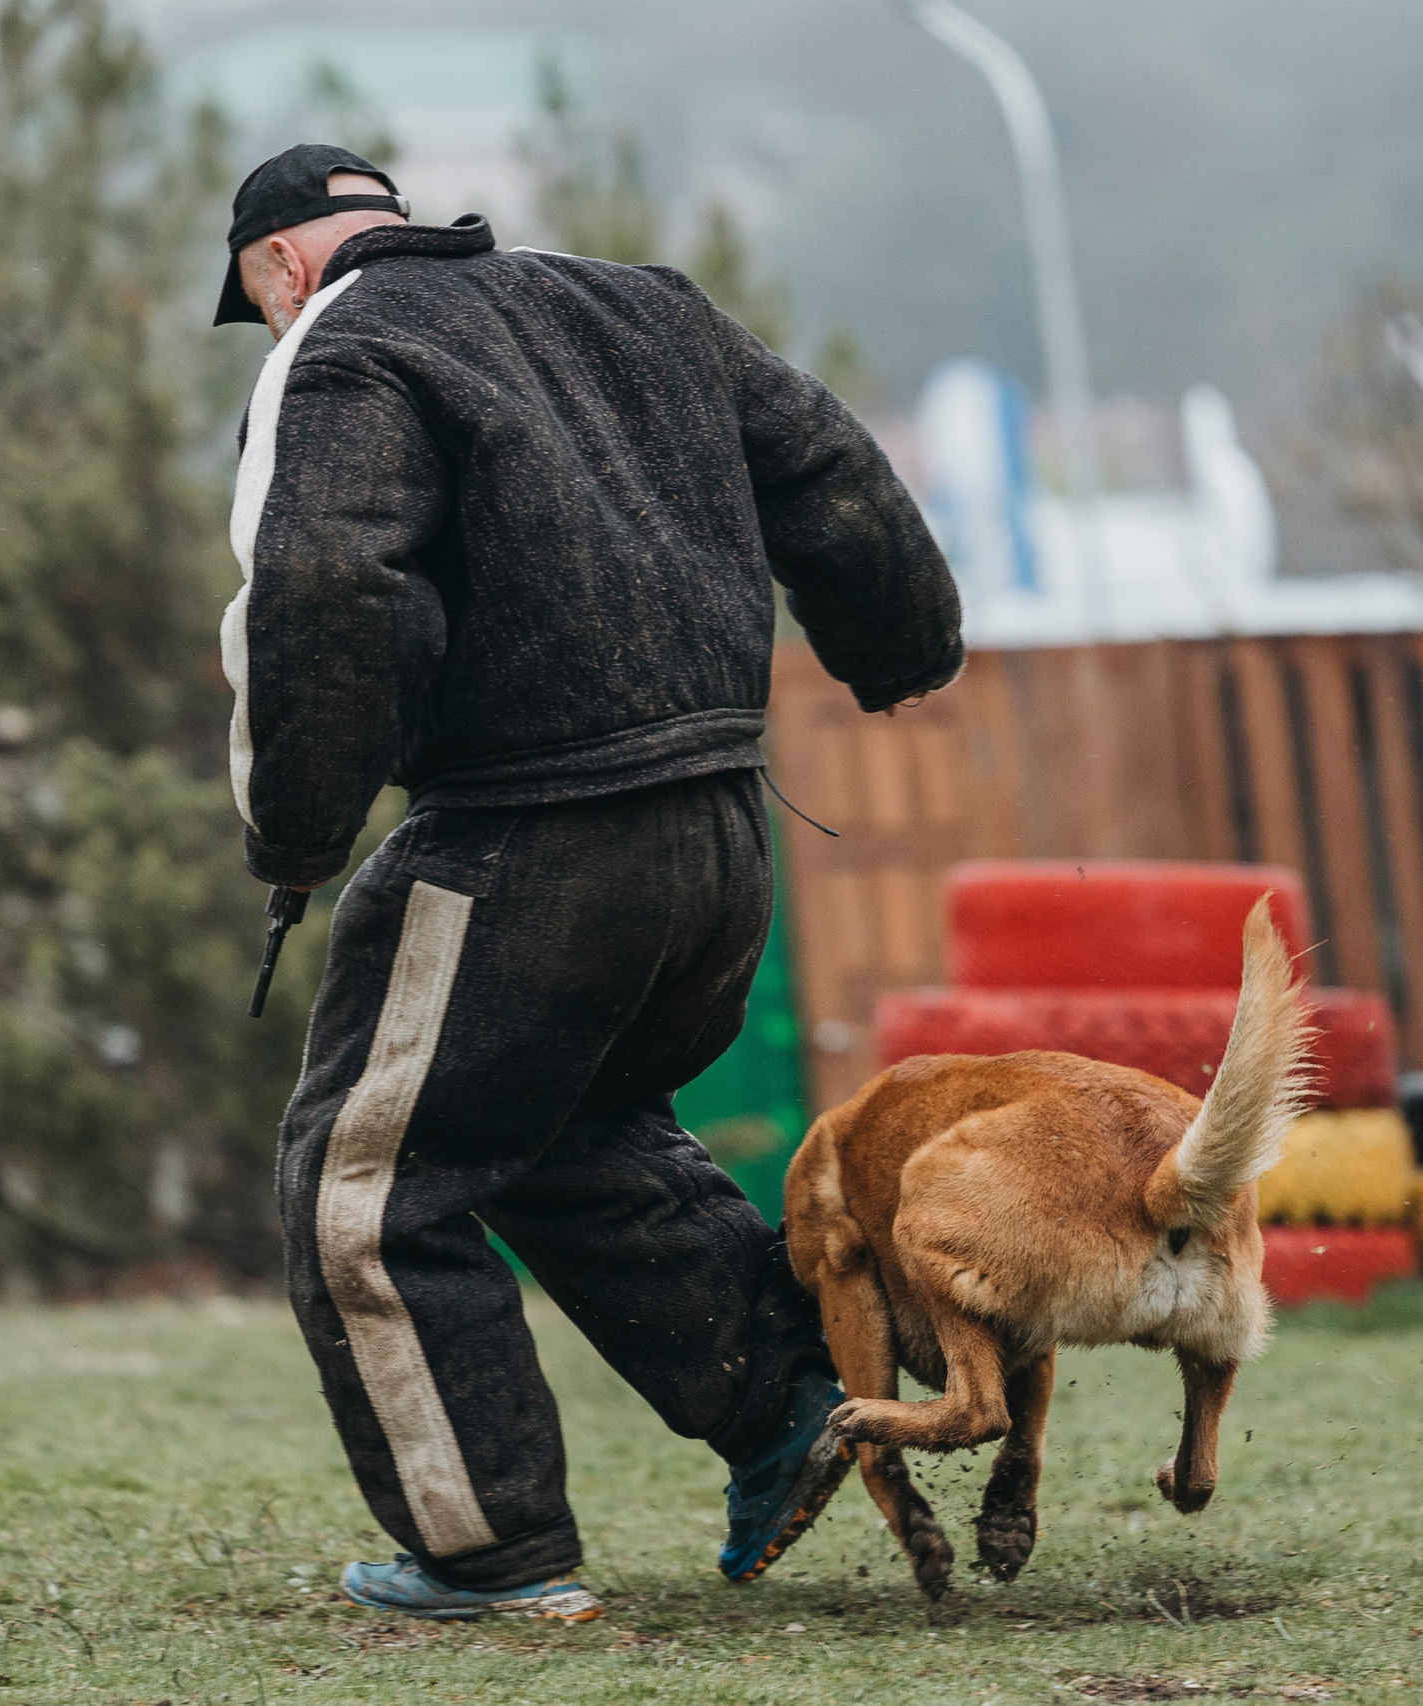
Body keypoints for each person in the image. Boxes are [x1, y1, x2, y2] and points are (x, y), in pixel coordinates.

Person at [214, 142, 963, 1623]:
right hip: (719, 836)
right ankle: (789, 1403)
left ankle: (486, 1551)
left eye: (262, 299)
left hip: (526, 842)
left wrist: (298, 836)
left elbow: (322, 584)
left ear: (287, 268)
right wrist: (901, 647)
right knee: (554, 1124)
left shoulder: (343, 343)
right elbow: (829, 466)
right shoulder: (642, 306)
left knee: (360, 1190)